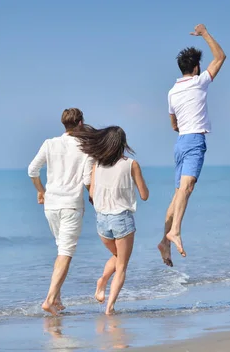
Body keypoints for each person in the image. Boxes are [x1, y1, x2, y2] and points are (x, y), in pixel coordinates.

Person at [158, 23, 227, 266]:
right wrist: (205, 33)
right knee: (186, 189)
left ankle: (164, 241)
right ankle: (174, 231)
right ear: (196, 68)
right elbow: (221, 57)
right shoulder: (200, 82)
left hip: (180, 142)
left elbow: (173, 123)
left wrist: (182, 126)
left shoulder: (171, 92)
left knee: (178, 195)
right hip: (195, 140)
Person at [71, 125, 149, 315]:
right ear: (123, 144)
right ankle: (110, 307)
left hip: (101, 221)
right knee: (122, 265)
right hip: (121, 219)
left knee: (117, 257)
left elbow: (91, 192)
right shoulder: (131, 164)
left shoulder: (98, 164)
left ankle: (103, 281)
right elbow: (144, 195)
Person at [28, 108, 94, 315]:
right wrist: (96, 199)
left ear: (63, 124)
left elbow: (32, 170)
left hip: (51, 205)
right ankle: (49, 299)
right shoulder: (86, 148)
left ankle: (56, 298)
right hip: (71, 205)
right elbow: (87, 181)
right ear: (81, 123)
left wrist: (41, 191)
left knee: (61, 250)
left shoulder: (50, 143)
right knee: (65, 253)